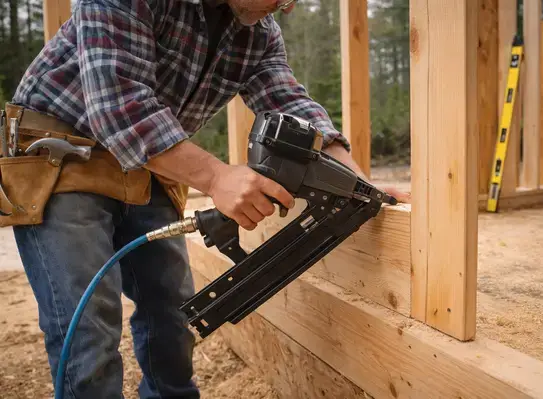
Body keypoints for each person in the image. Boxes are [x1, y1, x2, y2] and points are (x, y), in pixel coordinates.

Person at [3, 0, 409, 397]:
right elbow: (118, 106)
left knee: (173, 312)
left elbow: (291, 104)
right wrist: (217, 177)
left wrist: (359, 183)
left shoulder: (258, 32)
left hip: (149, 164)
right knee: (88, 323)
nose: (287, 7)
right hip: (62, 152)